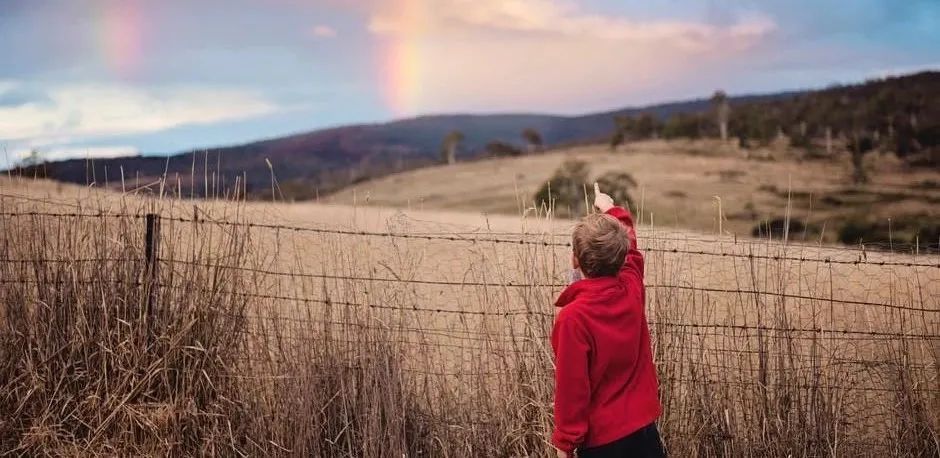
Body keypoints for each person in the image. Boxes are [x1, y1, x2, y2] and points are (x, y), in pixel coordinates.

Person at [551, 183, 664, 458]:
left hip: (602, 442)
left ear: (575, 260)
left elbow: (572, 388)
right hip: (644, 430)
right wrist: (611, 209)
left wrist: (565, 442)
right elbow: (631, 247)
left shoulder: (573, 318)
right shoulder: (631, 286)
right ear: (623, 256)